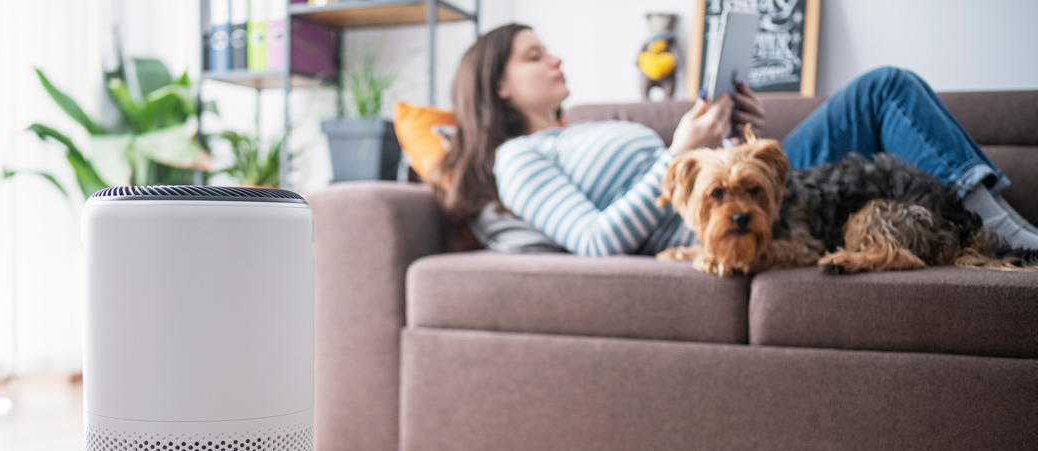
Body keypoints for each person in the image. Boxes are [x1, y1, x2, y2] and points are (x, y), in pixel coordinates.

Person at [433, 24, 1038, 256]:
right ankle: (1010, 239)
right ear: (499, 86)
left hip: (752, 186)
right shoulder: (519, 159)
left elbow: (715, 177)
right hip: (705, 223)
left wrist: (732, 134)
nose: (555, 57)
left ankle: (997, 227)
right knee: (883, 87)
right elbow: (594, 241)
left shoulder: (581, 127)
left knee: (886, 87)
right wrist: (676, 153)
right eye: (535, 55)